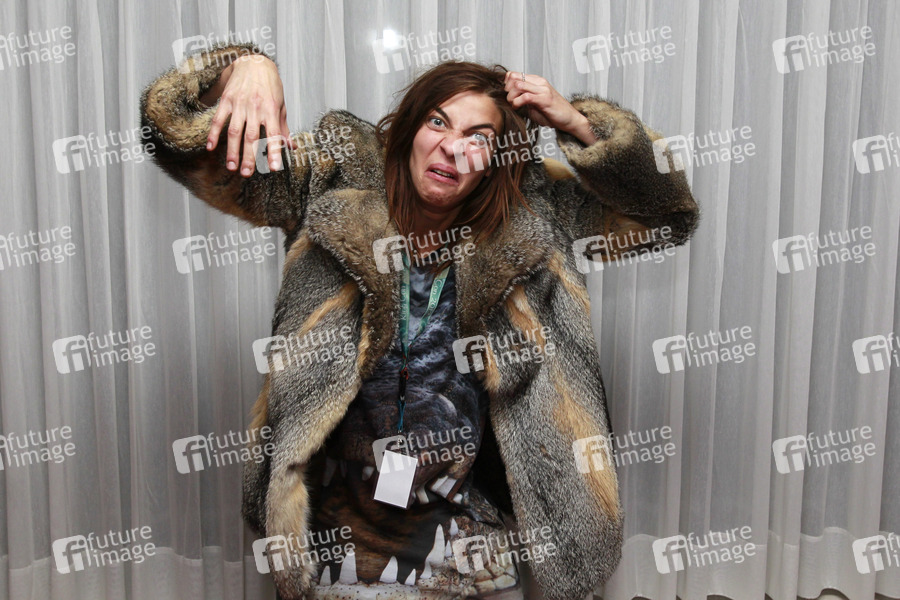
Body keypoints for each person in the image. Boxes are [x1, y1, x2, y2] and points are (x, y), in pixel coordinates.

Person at [140, 42, 699, 600]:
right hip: (337, 540)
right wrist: (243, 66)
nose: (452, 147)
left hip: (472, 542)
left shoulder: (535, 213)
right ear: (409, 128)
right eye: (437, 122)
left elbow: (667, 216)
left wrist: (576, 123)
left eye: (478, 137)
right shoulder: (330, 181)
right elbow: (174, 137)